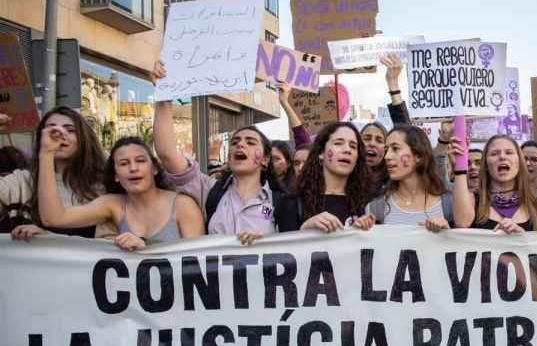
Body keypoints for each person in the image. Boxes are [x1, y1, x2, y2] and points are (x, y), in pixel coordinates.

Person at [153, 61, 283, 245]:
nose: (240, 145)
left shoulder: (281, 202)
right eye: (235, 142)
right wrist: (164, 97)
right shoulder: (209, 191)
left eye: (250, 142)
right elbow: (166, 153)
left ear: (264, 159)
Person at [37, 136, 203, 250]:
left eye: (140, 161)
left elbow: (197, 263)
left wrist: (146, 252)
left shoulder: (183, 205)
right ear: (115, 175)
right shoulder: (112, 204)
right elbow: (54, 217)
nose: (133, 168)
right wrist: (46, 153)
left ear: (154, 168)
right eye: (124, 163)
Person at [5, 106, 106, 242]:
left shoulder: (103, 186)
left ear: (84, 138)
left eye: (70, 130)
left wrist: (49, 238)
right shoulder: (22, 181)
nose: (58, 134)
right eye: (50, 129)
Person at [354, 124, 453, 231]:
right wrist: (359, 230)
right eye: (386, 150)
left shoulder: (448, 203)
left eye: (395, 149)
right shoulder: (375, 207)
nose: (387, 156)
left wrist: (447, 234)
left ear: (418, 155)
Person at [277, 121, 369, 233]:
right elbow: (283, 246)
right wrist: (304, 229)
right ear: (321, 153)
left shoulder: (367, 203)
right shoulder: (292, 202)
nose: (347, 150)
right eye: (338, 143)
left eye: (353, 146)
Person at [453, 134, 537, 233]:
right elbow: (461, 224)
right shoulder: (472, 200)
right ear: (486, 164)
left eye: (509, 152)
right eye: (494, 154)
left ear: (519, 161)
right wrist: (459, 163)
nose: (502, 157)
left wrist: (521, 236)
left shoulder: (535, 205)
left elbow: (536, 246)